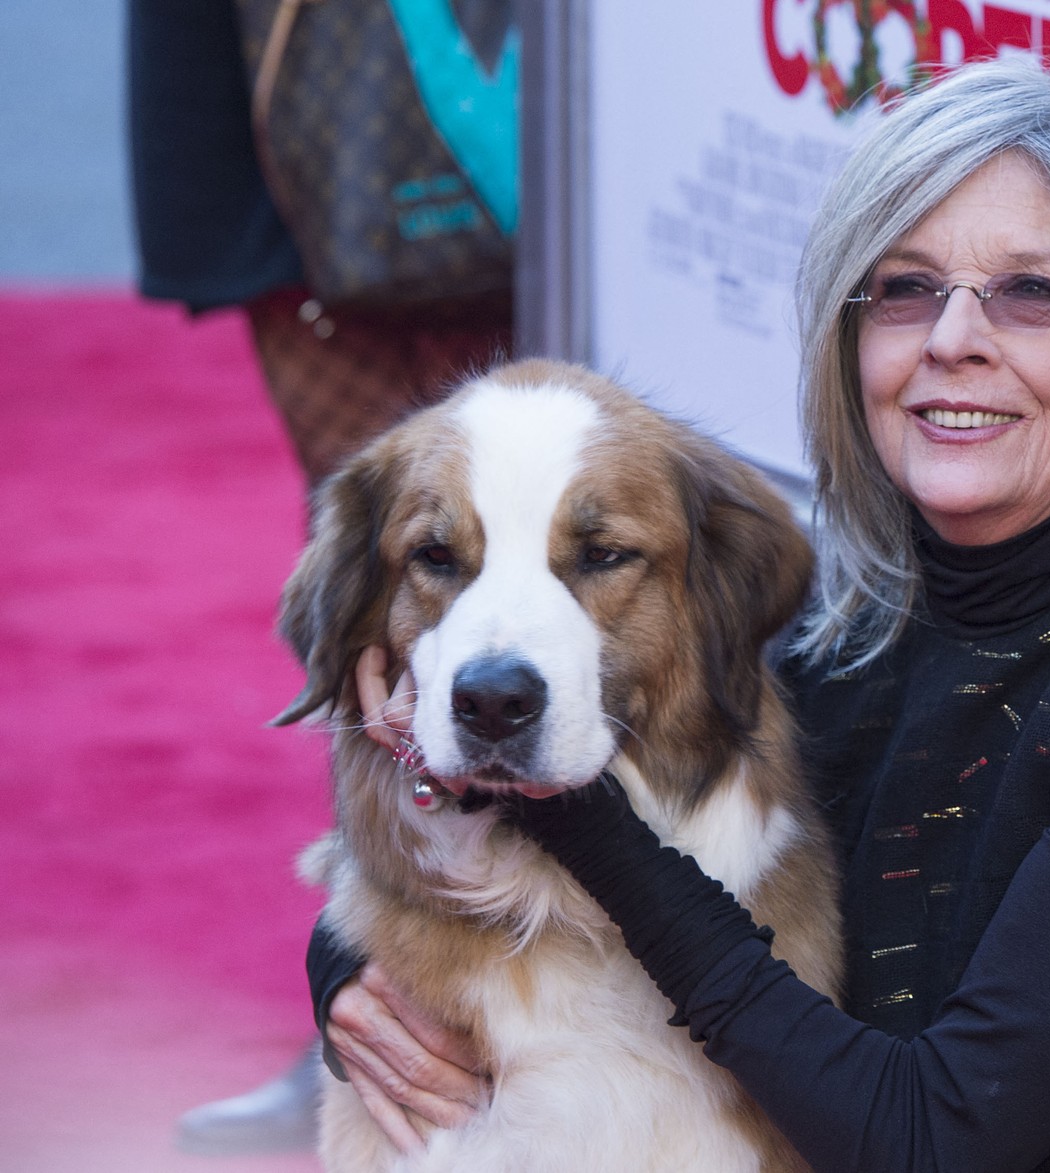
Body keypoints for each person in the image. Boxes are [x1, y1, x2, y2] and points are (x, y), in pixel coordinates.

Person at [309, 60, 1050, 1169]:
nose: (951, 340)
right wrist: (349, 968)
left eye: (1030, 294)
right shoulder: (855, 625)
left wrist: (570, 816)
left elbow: (930, 1139)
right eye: (905, 289)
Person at [128, 0, 512, 1151]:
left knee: (544, 595)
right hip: (296, 132)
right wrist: (223, 222)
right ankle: (378, 1008)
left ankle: (537, 1013)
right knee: (379, 610)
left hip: (574, 134)